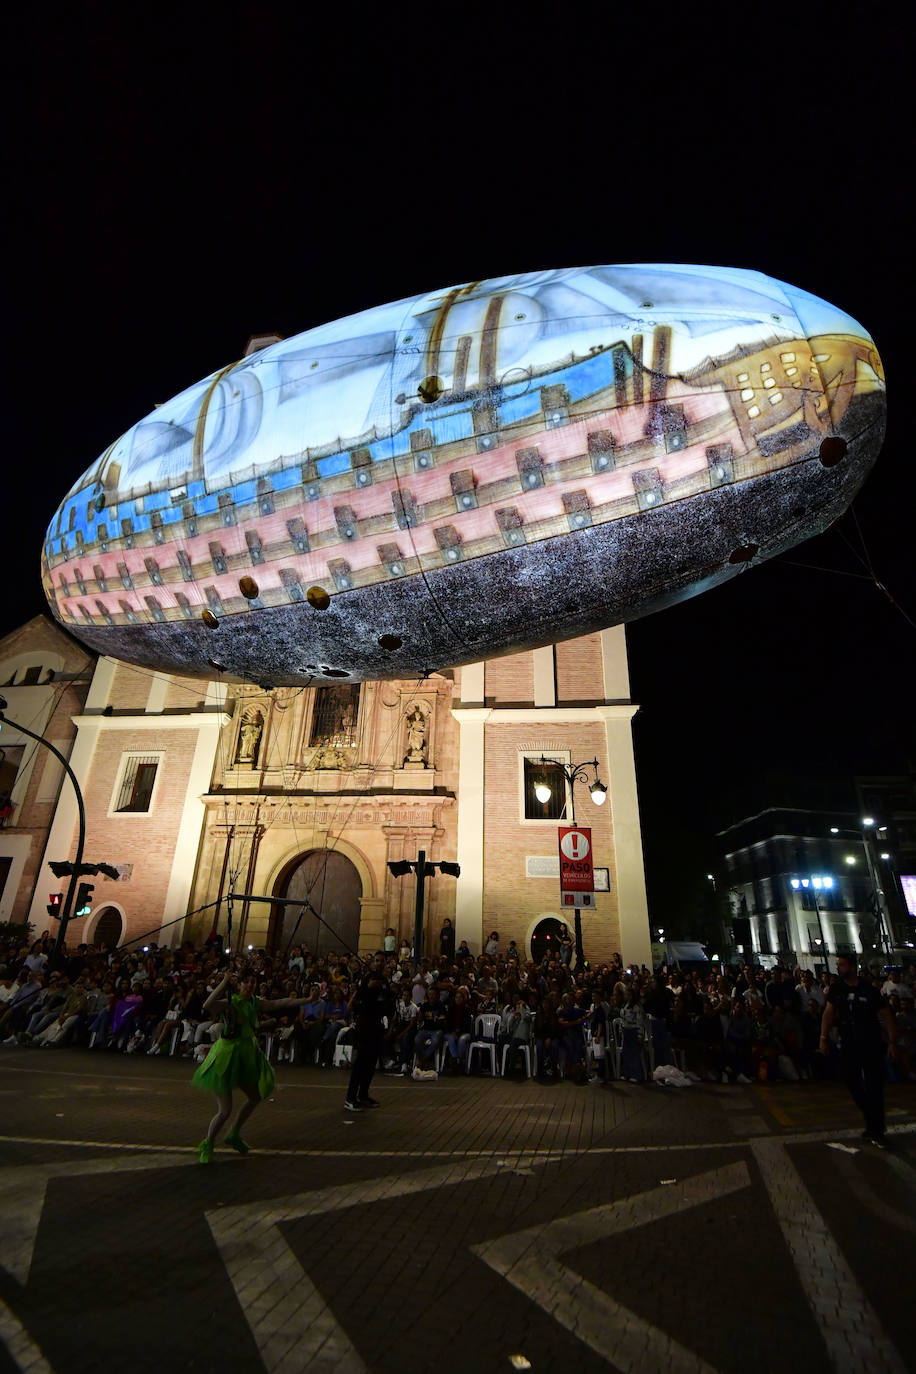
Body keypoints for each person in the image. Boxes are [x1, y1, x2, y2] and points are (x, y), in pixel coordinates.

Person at [192, 970, 312, 1162]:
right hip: (226, 1058)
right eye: (246, 982)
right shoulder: (230, 1002)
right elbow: (208, 1004)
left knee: (255, 1096)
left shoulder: (255, 1002)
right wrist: (223, 982)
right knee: (224, 1110)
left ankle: (234, 1133)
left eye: (253, 982)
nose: (249, 985)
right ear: (239, 985)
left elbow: (280, 1003)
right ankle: (208, 1143)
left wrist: (307, 999)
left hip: (245, 1056)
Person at [820, 952, 898, 1146]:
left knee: (875, 1086)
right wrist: (823, 1037)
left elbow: (887, 1014)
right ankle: (871, 1117)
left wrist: (892, 1042)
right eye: (838, 964)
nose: (839, 967)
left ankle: (876, 1129)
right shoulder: (837, 989)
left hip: (870, 1043)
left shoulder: (868, 989)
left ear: (852, 967)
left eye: (842, 964)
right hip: (849, 1044)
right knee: (852, 1081)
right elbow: (828, 1014)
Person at [345, 955, 393, 1110]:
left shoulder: (384, 982)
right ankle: (350, 1098)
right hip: (365, 1025)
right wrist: (368, 987)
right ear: (371, 964)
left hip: (377, 1025)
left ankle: (363, 1095)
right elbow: (356, 1001)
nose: (379, 963)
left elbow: (387, 1002)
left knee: (371, 1063)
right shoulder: (367, 980)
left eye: (381, 961)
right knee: (361, 1062)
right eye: (376, 961)